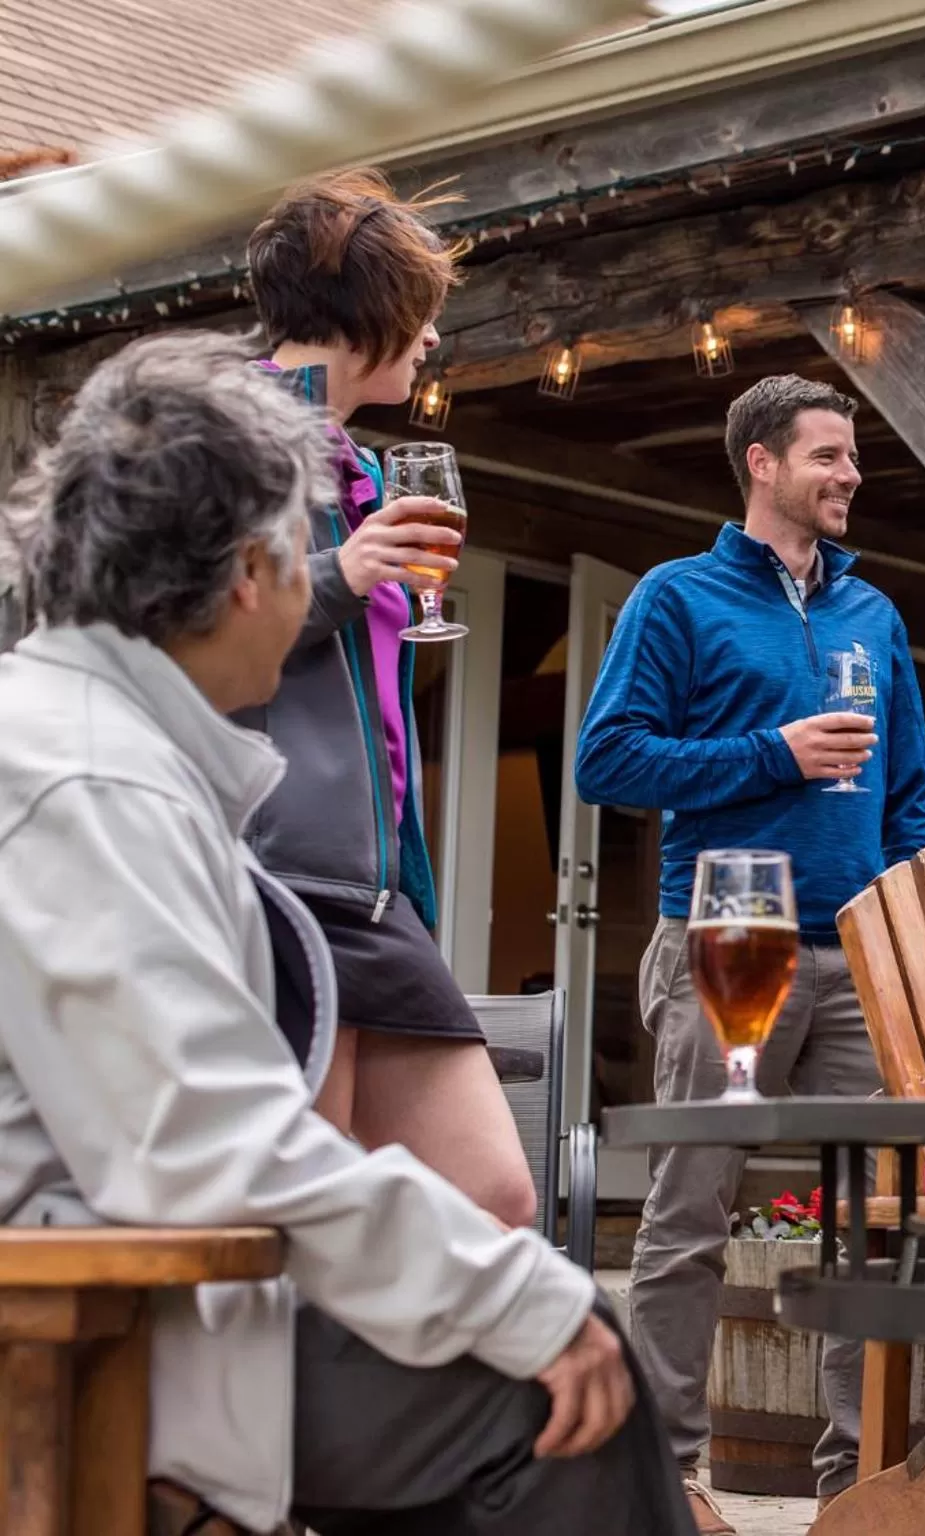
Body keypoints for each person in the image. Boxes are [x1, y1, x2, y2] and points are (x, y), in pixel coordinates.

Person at [0, 332, 688, 1536]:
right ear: (253, 575)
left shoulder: (80, 744)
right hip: (81, 1328)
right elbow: (208, 1144)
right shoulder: (91, 779)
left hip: (122, 1290)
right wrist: (522, 1298)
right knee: (579, 1375)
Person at [575, 374, 925, 1527]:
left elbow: (911, 795)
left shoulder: (870, 616)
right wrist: (772, 755)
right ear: (762, 464)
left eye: (851, 456)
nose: (849, 475)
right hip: (725, 943)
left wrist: (916, 921)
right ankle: (668, 1479)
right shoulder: (675, 599)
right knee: (687, 1219)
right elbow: (609, 761)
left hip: (854, 952)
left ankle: (854, 1481)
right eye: (828, 455)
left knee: (865, 1225)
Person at [241, 168, 535, 1228]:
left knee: (494, 1197)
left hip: (374, 897)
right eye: (423, 319)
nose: (432, 343)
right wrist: (340, 579)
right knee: (304, 1214)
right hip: (276, 883)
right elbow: (175, 629)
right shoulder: (226, 440)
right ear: (374, 314)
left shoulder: (360, 466)